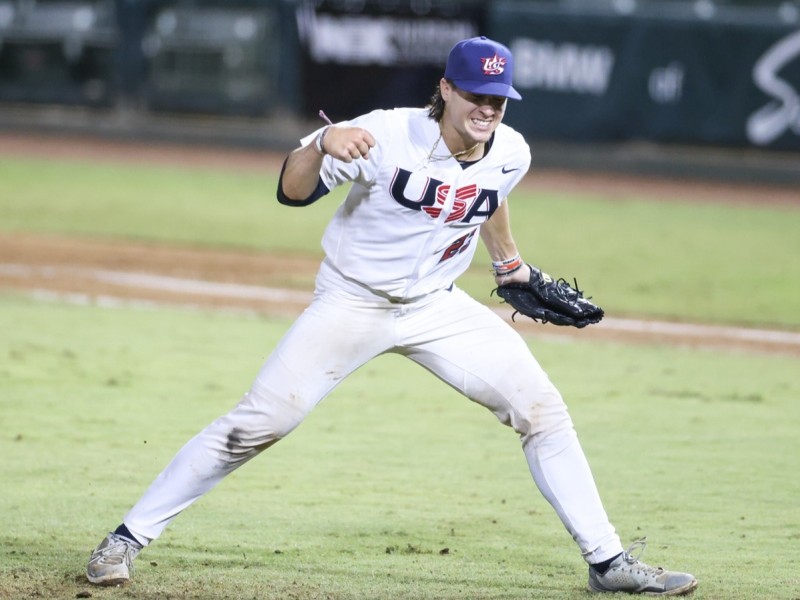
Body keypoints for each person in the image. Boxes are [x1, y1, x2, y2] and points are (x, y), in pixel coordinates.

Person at [87, 36, 697, 596]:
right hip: (351, 303)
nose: (488, 109)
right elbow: (292, 192)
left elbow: (488, 200)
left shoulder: (512, 151)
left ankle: (607, 561)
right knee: (258, 424)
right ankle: (126, 538)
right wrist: (319, 143)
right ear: (447, 89)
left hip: (440, 308)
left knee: (543, 411)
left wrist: (509, 265)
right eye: (477, 96)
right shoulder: (383, 134)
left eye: (499, 98)